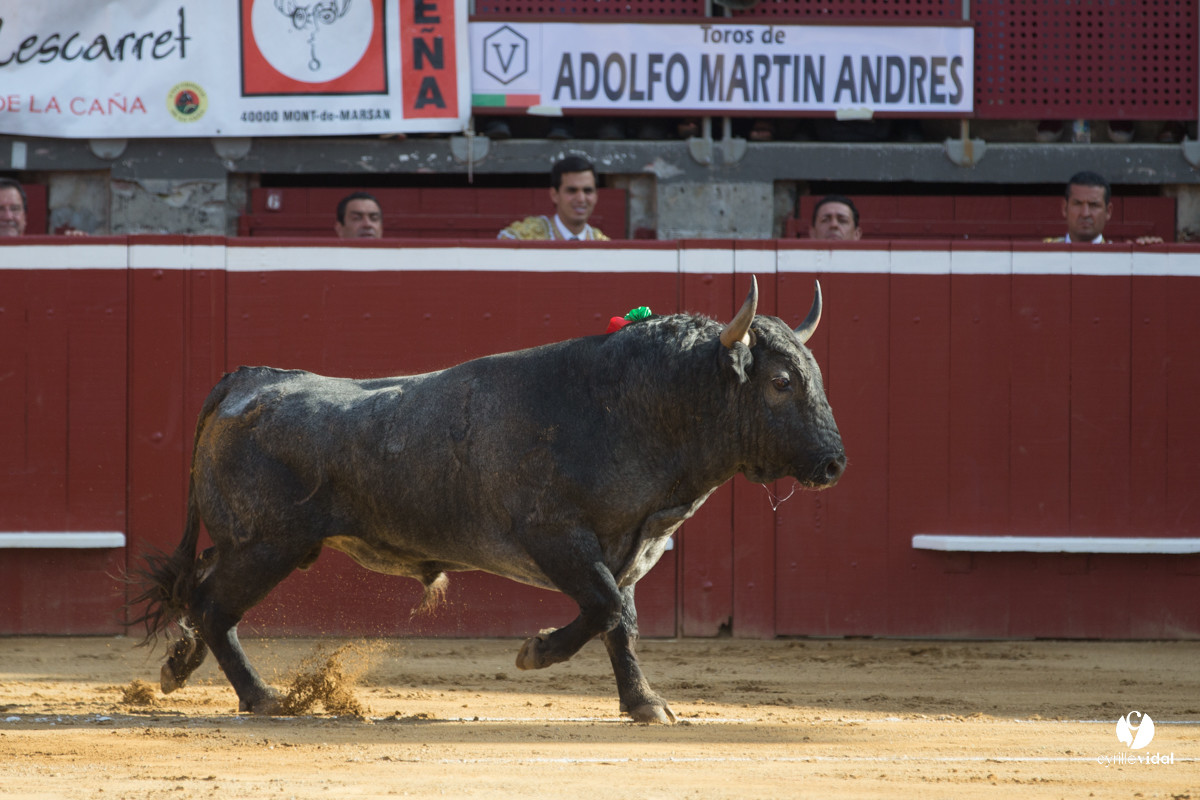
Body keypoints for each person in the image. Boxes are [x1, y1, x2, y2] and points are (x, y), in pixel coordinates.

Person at [498, 156, 609, 241]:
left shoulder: (603, 246)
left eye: (587, 191)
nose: (581, 198)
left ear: (596, 196)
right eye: (572, 191)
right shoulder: (522, 237)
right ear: (554, 195)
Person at [1046, 171, 1163, 245]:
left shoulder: (1121, 256)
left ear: (1108, 211)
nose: (1085, 213)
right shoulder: (1044, 252)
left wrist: (1152, 252)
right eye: (1077, 204)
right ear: (1064, 208)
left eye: (1094, 205)